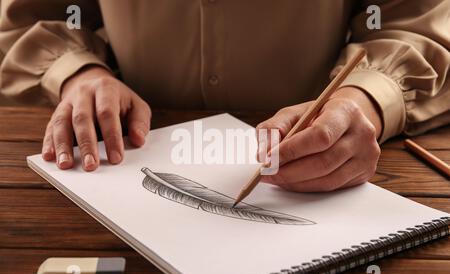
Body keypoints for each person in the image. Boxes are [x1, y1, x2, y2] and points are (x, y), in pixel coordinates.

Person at [0, 0, 449, 192]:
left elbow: (413, 18)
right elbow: (32, 15)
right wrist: (79, 74)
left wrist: (363, 101)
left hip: (317, 144)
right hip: (135, 146)